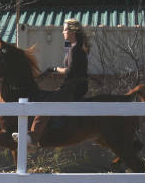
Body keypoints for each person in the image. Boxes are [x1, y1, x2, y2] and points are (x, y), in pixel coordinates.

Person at [12, 18, 90, 148]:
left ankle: (33, 137)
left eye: (65, 29)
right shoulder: (77, 48)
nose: (63, 32)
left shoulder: (75, 49)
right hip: (77, 86)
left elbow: (69, 71)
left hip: (73, 88)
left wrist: (53, 69)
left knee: (45, 105)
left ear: (72, 31)